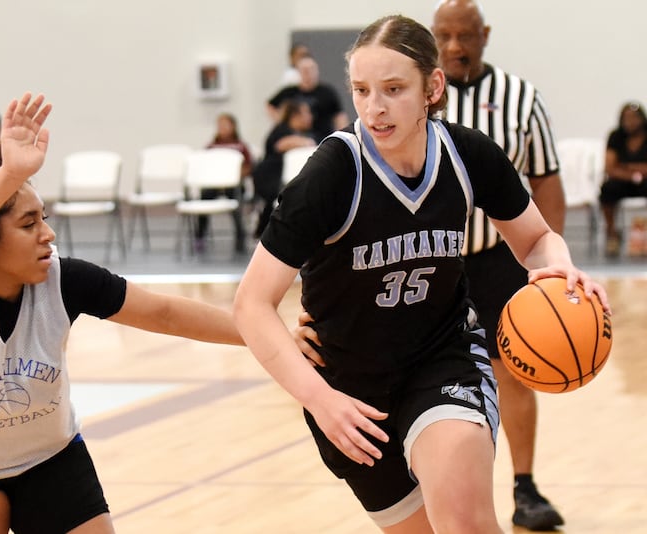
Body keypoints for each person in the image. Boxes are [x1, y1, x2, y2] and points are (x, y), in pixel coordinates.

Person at [233, 15, 610, 534]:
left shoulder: (468, 154)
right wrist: (319, 400)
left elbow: (536, 239)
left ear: (433, 87)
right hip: (348, 391)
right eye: (362, 91)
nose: (375, 107)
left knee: (465, 523)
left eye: (393, 89)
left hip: (443, 360)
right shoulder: (330, 175)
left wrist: (561, 268)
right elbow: (251, 303)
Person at [0, 92, 244, 534]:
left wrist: (268, 336)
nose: (48, 234)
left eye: (43, 217)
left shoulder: (65, 280)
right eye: (28, 224)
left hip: (48, 458)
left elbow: (166, 314)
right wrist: (9, 174)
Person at [430, 1, 570, 529]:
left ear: (485, 35)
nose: (456, 46)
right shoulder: (422, 96)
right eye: (445, 35)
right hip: (434, 259)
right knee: (424, 371)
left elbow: (546, 182)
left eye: (465, 35)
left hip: (498, 259)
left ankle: (525, 487)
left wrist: (548, 262)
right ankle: (430, 488)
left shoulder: (521, 98)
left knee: (514, 370)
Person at [251, 99, 316, 239]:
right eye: (307, 113)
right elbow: (281, 145)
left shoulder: (295, 132)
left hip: (277, 177)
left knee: (276, 202)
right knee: (277, 200)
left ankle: (264, 233)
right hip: (267, 176)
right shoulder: (282, 130)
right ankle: (264, 234)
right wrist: (308, 143)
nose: (310, 117)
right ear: (295, 116)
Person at [195, 112, 252, 253]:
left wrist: (234, 176)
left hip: (234, 185)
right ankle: (200, 235)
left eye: (226, 125)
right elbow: (204, 166)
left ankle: (240, 235)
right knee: (204, 196)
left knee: (235, 201)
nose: (222, 128)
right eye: (220, 125)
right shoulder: (211, 147)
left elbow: (248, 167)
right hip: (214, 185)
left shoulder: (240, 146)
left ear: (233, 127)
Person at [599, 101, 647, 257]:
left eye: (634, 117)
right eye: (627, 118)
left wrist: (628, 167)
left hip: (644, 180)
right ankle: (612, 232)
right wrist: (632, 173)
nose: (631, 121)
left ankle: (642, 236)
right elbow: (610, 167)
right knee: (607, 189)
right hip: (623, 180)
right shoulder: (616, 137)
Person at [267, 56, 350, 143]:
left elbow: (339, 117)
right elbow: (270, 105)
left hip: (322, 137)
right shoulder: (289, 92)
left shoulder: (327, 93)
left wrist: (343, 137)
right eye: (305, 70)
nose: (308, 74)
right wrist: (280, 120)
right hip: (295, 137)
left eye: (311, 70)